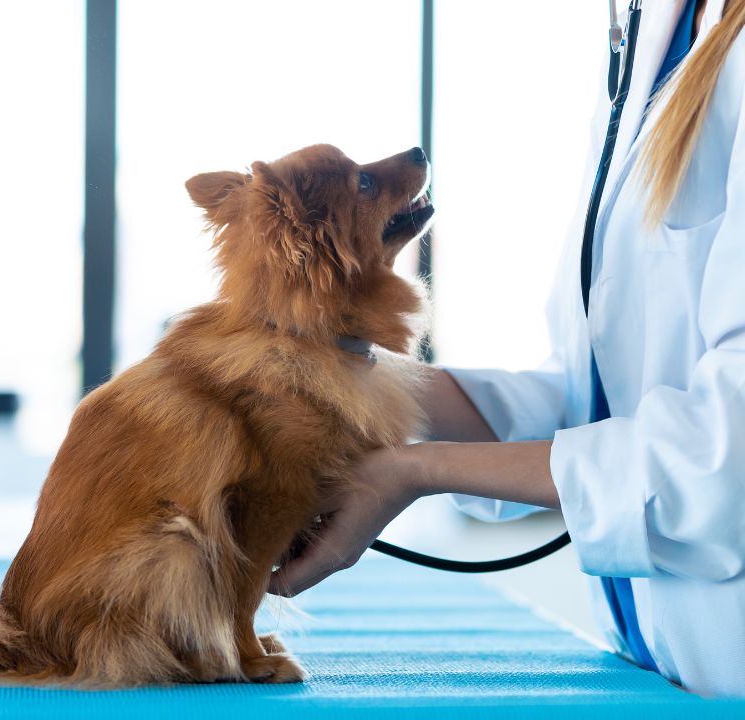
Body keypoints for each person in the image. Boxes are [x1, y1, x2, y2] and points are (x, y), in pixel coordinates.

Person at [269, 0, 745, 698]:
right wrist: (340, 375)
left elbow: (722, 461)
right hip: (652, 669)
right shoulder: (648, 43)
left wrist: (415, 470)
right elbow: (589, 403)